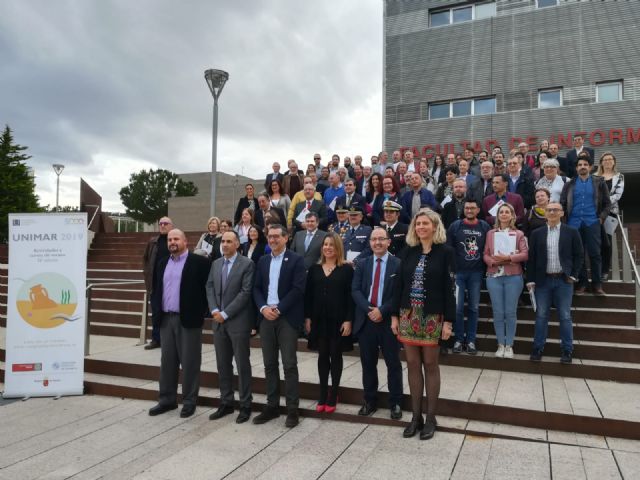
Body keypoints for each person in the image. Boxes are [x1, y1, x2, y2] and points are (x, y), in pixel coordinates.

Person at [392, 209, 455, 440]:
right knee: (411, 363)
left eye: (425, 223)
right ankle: (415, 416)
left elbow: (450, 289)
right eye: (418, 224)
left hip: (432, 316)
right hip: (408, 314)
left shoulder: (446, 252)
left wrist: (448, 321)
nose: (421, 227)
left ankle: (430, 418)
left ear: (435, 226)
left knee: (430, 365)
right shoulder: (408, 252)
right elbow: (399, 285)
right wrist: (394, 316)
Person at [148, 229, 210, 418]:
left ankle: (189, 401)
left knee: (190, 362)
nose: (172, 242)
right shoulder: (162, 263)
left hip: (188, 320)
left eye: (176, 239)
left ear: (185, 242)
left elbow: (208, 289)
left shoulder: (199, 263)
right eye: (169, 239)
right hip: (166, 319)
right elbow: (157, 290)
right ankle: (167, 400)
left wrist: (202, 311)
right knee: (167, 362)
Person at [252, 224, 306, 428]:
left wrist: (279, 309)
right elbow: (256, 288)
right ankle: (272, 406)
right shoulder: (263, 260)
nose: (272, 239)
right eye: (270, 236)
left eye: (276, 236)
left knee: (289, 364)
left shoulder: (296, 260)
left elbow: (298, 289)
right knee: (269, 364)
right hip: (266, 318)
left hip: (287, 318)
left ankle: (292, 409)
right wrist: (263, 308)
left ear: (286, 238)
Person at [352, 227, 403, 419]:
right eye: (374, 239)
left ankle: (396, 403)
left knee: (393, 363)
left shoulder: (398, 264)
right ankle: (369, 400)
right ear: (370, 242)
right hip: (367, 321)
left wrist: (382, 310)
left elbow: (399, 293)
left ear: (389, 241)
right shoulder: (362, 264)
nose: (378, 242)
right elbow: (355, 290)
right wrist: (369, 310)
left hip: (389, 321)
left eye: (382, 239)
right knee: (368, 364)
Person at [206, 231, 256, 424]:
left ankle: (245, 404)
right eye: (223, 242)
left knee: (242, 364)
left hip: (237, 322)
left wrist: (225, 314)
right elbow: (209, 287)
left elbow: (245, 292)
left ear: (237, 244)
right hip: (218, 323)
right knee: (222, 364)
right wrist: (214, 310)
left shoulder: (247, 264)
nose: (224, 244)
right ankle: (226, 402)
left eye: (229, 241)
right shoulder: (216, 263)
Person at [527, 203, 583, 364]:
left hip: (563, 281)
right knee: (541, 315)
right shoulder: (537, 233)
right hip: (542, 281)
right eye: (549, 210)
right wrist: (530, 280)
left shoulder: (571, 232)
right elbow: (532, 259)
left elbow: (579, 255)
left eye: (555, 210)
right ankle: (537, 348)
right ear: (544, 213)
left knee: (565, 316)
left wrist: (573, 276)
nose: (552, 212)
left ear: (562, 213)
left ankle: (567, 350)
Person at [304, 233, 353, 413]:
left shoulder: (346, 269)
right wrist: (307, 317)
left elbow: (350, 297)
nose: (328, 248)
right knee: (322, 355)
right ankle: (323, 393)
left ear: (338, 247)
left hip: (338, 321)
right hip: (318, 320)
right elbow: (308, 296)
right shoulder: (314, 269)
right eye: (325, 244)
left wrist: (348, 320)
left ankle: (334, 393)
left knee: (335, 355)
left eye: (332, 245)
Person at [560, 155, 611, 296]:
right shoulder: (569, 184)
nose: (582, 166)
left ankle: (597, 285)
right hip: (573, 223)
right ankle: (582, 283)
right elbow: (563, 203)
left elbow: (607, 204)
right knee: (578, 254)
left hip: (592, 222)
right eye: (580, 165)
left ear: (590, 167)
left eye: (585, 164)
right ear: (576, 168)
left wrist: (601, 218)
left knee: (595, 253)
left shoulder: (599, 182)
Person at [483, 203, 528, 359]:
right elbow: (486, 254)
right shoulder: (490, 234)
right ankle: (500, 344)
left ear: (512, 215)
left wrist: (508, 258)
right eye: (501, 212)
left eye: (507, 212)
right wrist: (493, 262)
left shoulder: (519, 234)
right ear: (498, 215)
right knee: (498, 312)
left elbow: (524, 254)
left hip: (513, 277)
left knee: (510, 312)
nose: (503, 214)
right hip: (494, 277)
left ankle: (509, 345)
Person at [447, 199, 491, 355]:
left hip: (476, 273)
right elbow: (449, 249)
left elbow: (488, 248)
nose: (470, 210)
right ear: (464, 209)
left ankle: (471, 340)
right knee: (458, 309)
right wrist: (451, 270)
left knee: (473, 308)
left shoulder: (484, 226)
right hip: (458, 273)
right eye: (467, 207)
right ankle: (459, 339)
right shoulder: (455, 226)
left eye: (473, 207)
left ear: (478, 209)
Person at [142, 216, 173, 350]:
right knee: (156, 312)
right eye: (160, 223)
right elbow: (145, 260)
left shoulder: (174, 240)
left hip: (171, 283)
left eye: (165, 223)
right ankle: (156, 339)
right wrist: (147, 277)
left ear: (171, 225)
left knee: (170, 313)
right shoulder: (153, 242)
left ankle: (170, 339)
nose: (162, 225)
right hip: (155, 283)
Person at [596, 152, 624, 281]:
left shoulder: (619, 177)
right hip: (595, 213)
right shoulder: (595, 176)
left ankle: (605, 271)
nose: (607, 161)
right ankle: (597, 268)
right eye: (605, 159)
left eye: (610, 159)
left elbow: (617, 195)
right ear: (601, 162)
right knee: (596, 242)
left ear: (614, 162)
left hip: (610, 213)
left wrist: (603, 202)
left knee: (606, 243)